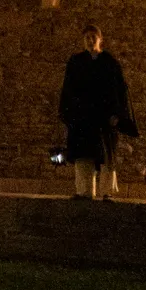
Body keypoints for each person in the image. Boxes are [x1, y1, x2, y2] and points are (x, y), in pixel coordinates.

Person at [59, 25, 137, 201]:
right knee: (83, 154)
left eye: (93, 36)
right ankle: (84, 191)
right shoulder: (76, 62)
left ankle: (106, 191)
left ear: (100, 39)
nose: (90, 40)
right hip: (83, 118)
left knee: (107, 155)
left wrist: (117, 114)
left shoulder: (109, 63)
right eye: (87, 37)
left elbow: (119, 91)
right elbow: (69, 90)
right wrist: (70, 113)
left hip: (105, 118)